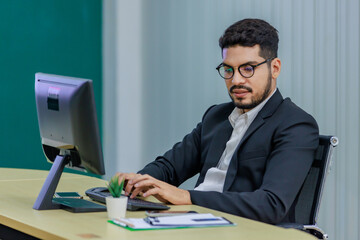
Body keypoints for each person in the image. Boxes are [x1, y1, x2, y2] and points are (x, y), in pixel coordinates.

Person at [116, 18, 319, 224]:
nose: (236, 80)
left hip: (238, 229)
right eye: (229, 69)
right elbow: (170, 167)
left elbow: (271, 204)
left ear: (274, 68)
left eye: (248, 68)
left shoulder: (295, 125)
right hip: (193, 220)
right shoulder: (216, 116)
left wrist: (188, 197)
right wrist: (137, 181)